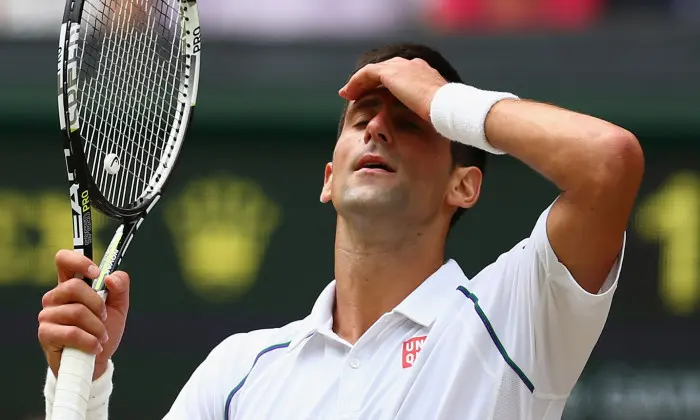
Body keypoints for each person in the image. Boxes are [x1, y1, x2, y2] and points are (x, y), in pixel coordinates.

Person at [39, 43, 644, 419]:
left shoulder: (512, 319)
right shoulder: (237, 372)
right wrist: (83, 383)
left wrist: (444, 100)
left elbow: (608, 162)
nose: (378, 128)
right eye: (361, 119)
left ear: (464, 185)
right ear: (329, 178)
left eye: (411, 123)